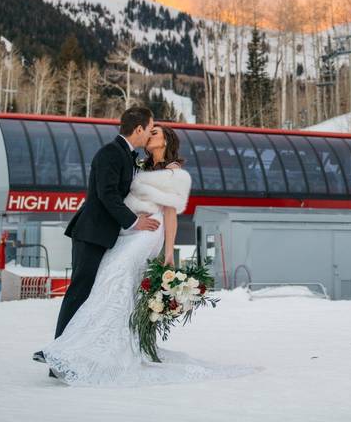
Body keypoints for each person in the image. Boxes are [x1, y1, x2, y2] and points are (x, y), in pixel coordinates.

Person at [37, 123, 253, 386]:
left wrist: (169, 251)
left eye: (156, 133)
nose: (150, 135)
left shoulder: (175, 173)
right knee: (108, 279)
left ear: (165, 141)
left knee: (116, 274)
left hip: (151, 231)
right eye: (149, 131)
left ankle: (79, 347)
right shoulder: (139, 164)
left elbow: (171, 214)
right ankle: (82, 346)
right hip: (130, 230)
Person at [32, 106, 159, 371]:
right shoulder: (110, 153)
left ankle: (69, 353)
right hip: (90, 234)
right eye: (149, 128)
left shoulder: (125, 154)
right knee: (78, 292)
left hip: (103, 235)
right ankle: (57, 355)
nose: (150, 134)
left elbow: (119, 196)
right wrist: (136, 222)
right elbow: (107, 194)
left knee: (90, 294)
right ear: (138, 129)